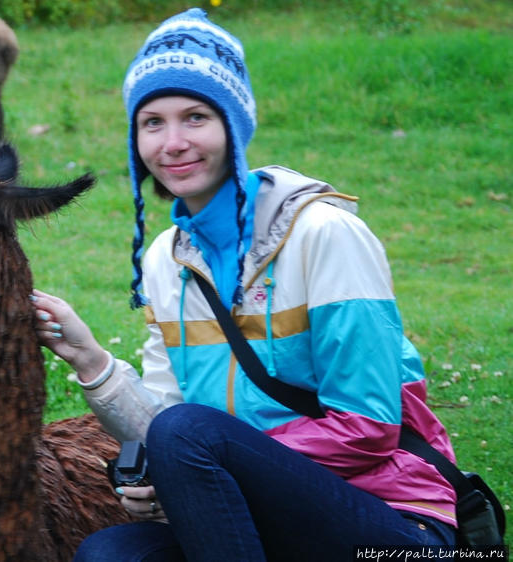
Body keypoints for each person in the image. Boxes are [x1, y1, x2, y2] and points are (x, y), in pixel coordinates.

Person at [31, 8, 457, 561]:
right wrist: (90, 361)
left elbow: (370, 426)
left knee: (188, 435)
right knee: (111, 553)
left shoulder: (324, 234)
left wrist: (210, 466)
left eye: (196, 117)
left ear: (234, 125)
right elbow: (165, 427)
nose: (173, 143)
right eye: (152, 122)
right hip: (258, 514)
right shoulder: (168, 260)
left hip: (395, 527)